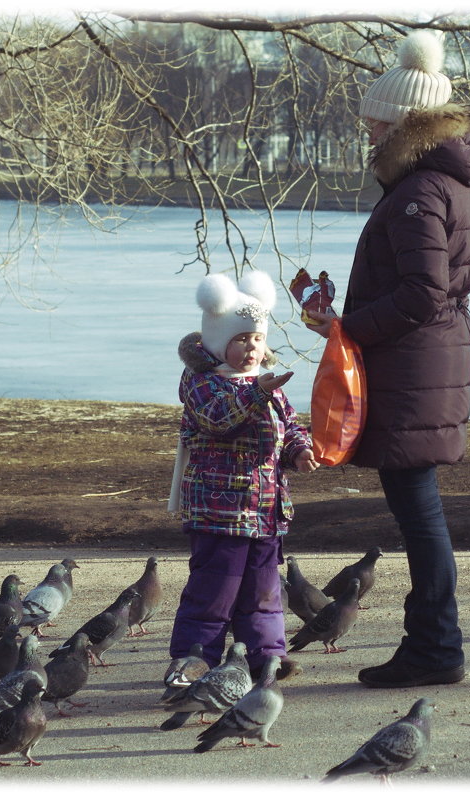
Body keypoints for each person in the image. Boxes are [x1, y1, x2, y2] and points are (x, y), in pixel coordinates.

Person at [304, 30, 470, 688]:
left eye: (374, 121)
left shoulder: (418, 192)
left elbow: (421, 294)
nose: (366, 130)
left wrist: (346, 327)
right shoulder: (443, 183)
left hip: (414, 369)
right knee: (421, 513)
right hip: (426, 365)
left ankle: (436, 647)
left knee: (420, 515)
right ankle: (434, 643)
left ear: (405, 123)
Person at [167, 271, 319, 680]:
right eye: (239, 339)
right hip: (219, 511)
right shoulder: (202, 383)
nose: (251, 347)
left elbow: (290, 424)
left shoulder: (265, 384)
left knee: (263, 590)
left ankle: (266, 655)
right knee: (214, 590)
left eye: (257, 338)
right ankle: (194, 659)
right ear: (218, 341)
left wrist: (299, 450)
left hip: (267, 511)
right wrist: (256, 393)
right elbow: (218, 420)